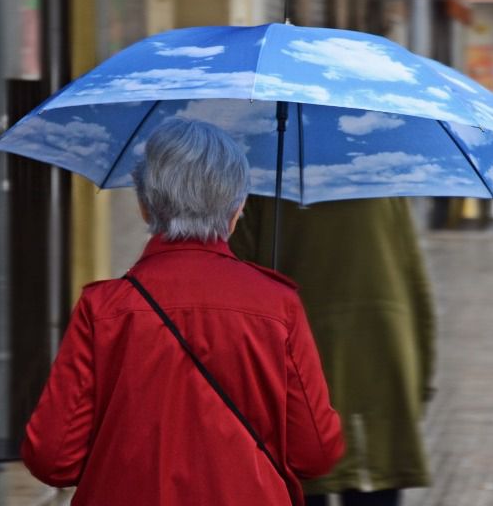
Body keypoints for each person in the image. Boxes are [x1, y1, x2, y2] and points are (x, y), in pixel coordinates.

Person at [21, 119, 344, 505]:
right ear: (237, 208)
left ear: (144, 205)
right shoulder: (278, 306)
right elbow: (316, 452)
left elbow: (53, 459)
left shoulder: (104, 309)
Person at [230, 197, 436, 506]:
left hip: (297, 376)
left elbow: (237, 283)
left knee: (304, 481)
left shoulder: (266, 186)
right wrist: (421, 380)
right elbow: (417, 288)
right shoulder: (385, 184)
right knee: (375, 481)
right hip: (382, 366)